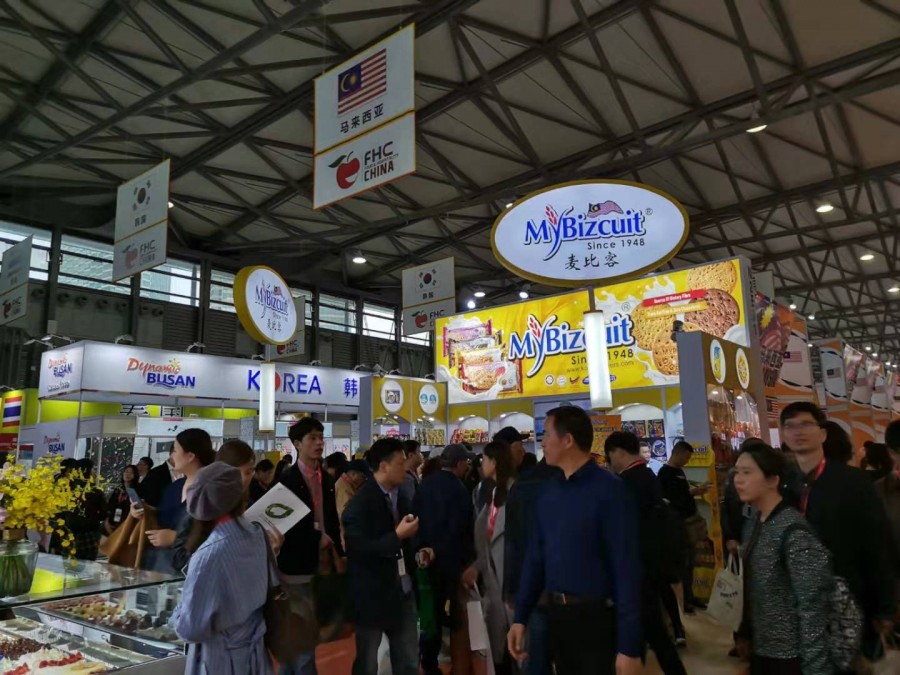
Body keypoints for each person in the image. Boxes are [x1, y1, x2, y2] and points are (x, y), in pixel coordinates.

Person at [508, 406, 643, 675]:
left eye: (547, 434)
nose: (542, 442)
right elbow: (535, 558)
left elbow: (627, 569)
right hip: (557, 617)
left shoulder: (610, 491)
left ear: (567, 440)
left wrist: (630, 646)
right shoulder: (548, 493)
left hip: (597, 619)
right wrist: (520, 617)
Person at [779, 402, 894, 666]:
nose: (798, 431)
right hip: (798, 601)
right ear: (783, 435)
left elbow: (877, 542)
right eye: (790, 426)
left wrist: (885, 606)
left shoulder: (852, 482)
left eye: (806, 424)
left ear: (823, 433)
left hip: (848, 596)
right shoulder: (783, 484)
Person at [733, 442, 833, 674]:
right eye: (736, 472)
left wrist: (816, 667)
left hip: (790, 655)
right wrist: (745, 633)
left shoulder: (794, 531)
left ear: (772, 480)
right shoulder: (754, 522)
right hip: (762, 648)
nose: (738, 480)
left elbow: (813, 604)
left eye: (747, 472)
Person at [171, 462, 272, 675]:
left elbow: (191, 629)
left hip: (220, 659)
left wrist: (177, 613)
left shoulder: (209, 554)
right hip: (256, 655)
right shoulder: (257, 534)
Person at [605, 431, 687, 675]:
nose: (609, 462)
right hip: (650, 565)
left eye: (610, 456)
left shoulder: (628, 482)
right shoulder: (647, 475)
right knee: (649, 630)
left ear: (618, 452)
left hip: (639, 567)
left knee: (651, 631)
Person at [342, 438, 420, 675]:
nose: (405, 467)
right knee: (367, 662)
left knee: (408, 660)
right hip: (372, 596)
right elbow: (358, 550)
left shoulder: (402, 496)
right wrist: (397, 536)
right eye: (400, 463)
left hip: (402, 590)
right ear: (384, 466)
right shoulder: (359, 505)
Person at [276, 417, 343, 675]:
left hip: (322, 566)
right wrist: (317, 538)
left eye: (320, 438)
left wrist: (338, 551)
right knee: (302, 635)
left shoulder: (326, 478)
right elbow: (286, 525)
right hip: (296, 569)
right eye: (312, 438)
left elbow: (331, 518)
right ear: (297, 444)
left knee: (306, 632)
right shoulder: (288, 480)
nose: (318, 443)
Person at [414, 444, 476, 675]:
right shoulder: (459, 490)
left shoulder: (425, 484)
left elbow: (414, 517)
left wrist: (422, 550)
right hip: (451, 564)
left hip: (426, 561)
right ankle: (459, 664)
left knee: (429, 614)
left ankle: (429, 662)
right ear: (459, 463)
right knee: (455, 616)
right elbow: (462, 530)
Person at [504, 453, 562, 675]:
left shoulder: (522, 485)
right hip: (577, 594)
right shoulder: (579, 483)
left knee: (536, 656)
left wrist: (512, 589)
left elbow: (513, 541)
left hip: (534, 587)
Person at [136, 429, 216, 574]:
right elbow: (162, 515)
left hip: (191, 570)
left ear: (190, 456)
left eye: (175, 450)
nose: (172, 455)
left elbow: (216, 534)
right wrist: (142, 511)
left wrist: (176, 538)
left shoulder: (211, 492)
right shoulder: (175, 487)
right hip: (159, 567)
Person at [473, 441, 516, 675]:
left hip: (510, 583)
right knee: (499, 648)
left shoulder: (515, 493)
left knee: (516, 648)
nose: (481, 464)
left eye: (485, 459)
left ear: (495, 462)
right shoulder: (491, 492)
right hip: (493, 582)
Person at [658, 440, 708, 615]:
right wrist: (691, 493)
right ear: (677, 453)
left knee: (691, 563)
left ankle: (690, 597)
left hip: (688, 523)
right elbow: (669, 500)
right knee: (683, 564)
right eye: (686, 457)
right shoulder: (664, 473)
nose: (687, 461)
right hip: (677, 526)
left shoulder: (679, 471)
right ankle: (684, 601)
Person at [336, 459, 369, 546]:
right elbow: (344, 513)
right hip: (345, 536)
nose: (364, 480)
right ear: (354, 474)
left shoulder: (349, 486)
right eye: (363, 477)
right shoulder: (343, 487)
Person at [106, 465, 139, 535]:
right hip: (112, 522)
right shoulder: (118, 489)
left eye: (131, 472)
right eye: (126, 471)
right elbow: (110, 505)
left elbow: (136, 509)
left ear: (135, 475)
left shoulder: (135, 490)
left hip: (126, 525)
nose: (128, 474)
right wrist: (107, 521)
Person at [399, 440, 422, 505]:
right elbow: (410, 503)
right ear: (411, 455)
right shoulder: (407, 478)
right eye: (419, 451)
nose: (421, 455)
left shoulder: (412, 474)